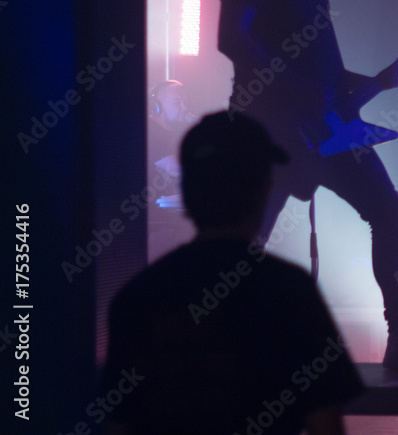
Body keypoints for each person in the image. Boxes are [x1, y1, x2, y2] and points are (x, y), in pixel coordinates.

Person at [217, 0, 398, 372]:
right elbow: (233, 39)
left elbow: (323, 73)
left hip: (326, 129)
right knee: (245, 238)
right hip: (268, 129)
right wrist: (297, 89)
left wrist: (372, 82)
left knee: (388, 210)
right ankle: (220, 349)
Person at [101, 111, 364, 435]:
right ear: (262, 190)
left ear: (187, 190)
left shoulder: (137, 296)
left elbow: (117, 425)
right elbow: (326, 424)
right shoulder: (289, 290)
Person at [147, 79, 193, 197]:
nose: (185, 108)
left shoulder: (178, 132)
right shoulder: (149, 132)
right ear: (157, 106)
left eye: (185, 102)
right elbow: (178, 170)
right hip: (153, 211)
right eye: (177, 103)